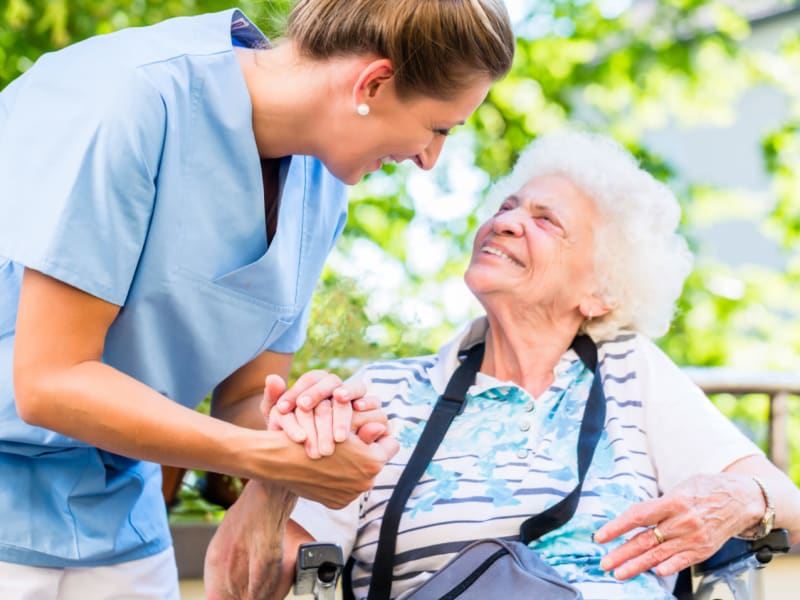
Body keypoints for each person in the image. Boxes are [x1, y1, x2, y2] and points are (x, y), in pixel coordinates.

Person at [0, 1, 515, 598]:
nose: (430, 161)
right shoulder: (131, 98)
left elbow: (244, 399)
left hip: (119, 522)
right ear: (372, 83)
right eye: (438, 128)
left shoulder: (321, 185)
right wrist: (267, 458)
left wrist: (314, 429)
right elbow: (49, 381)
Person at [236, 130, 800, 599]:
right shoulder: (381, 394)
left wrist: (747, 498)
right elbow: (242, 590)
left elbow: (787, 504)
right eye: (507, 208)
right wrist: (276, 474)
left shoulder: (631, 372)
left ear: (601, 292)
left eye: (545, 221)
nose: (507, 222)